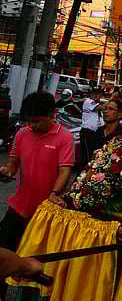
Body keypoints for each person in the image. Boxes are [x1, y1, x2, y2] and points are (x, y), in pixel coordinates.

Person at [0, 93, 73, 299]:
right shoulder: (22, 134)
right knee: (3, 255)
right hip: (17, 208)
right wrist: (7, 172)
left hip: (43, 215)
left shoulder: (64, 136)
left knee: (37, 265)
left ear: (52, 115)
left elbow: (64, 171)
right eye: (28, 121)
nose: (31, 125)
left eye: (36, 121)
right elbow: (14, 163)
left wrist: (54, 193)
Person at [80, 88, 105, 166]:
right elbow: (100, 107)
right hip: (87, 132)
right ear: (90, 94)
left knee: (94, 156)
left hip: (96, 133)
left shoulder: (98, 105)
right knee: (87, 157)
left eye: (98, 94)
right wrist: (112, 99)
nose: (96, 95)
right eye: (94, 93)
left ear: (101, 95)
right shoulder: (88, 102)